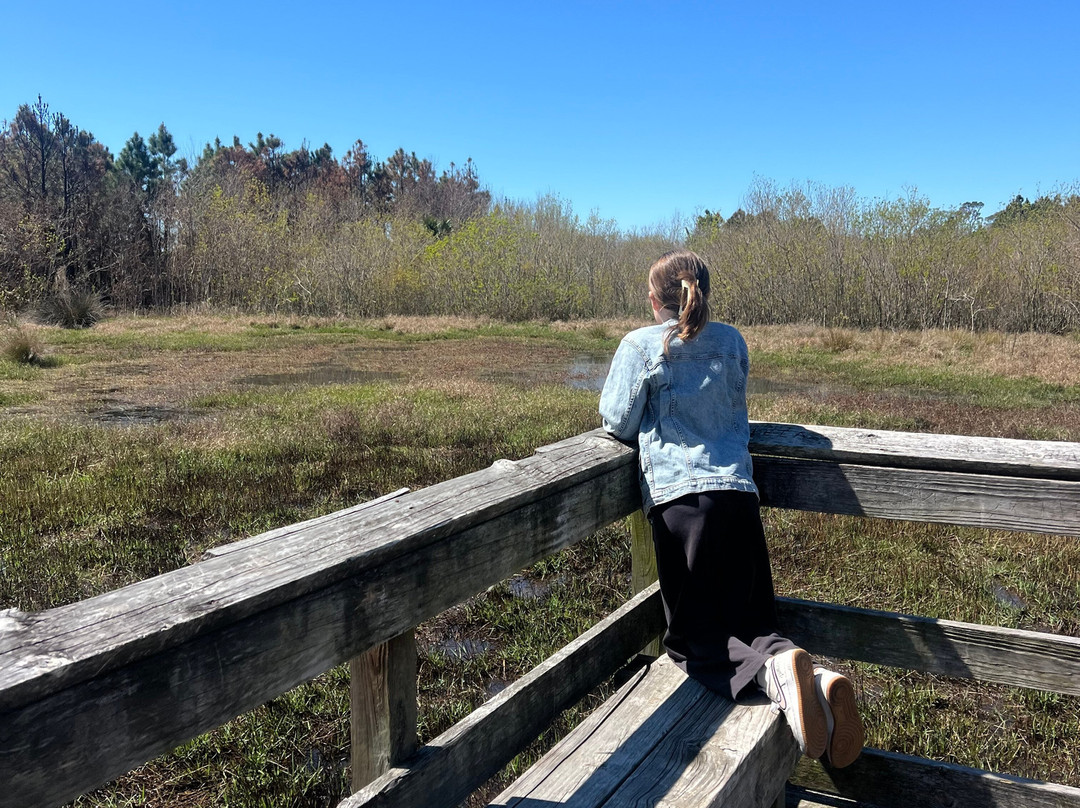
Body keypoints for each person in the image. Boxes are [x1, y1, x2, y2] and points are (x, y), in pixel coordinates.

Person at [599, 249, 864, 768]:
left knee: (692, 641)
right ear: (705, 293)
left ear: (654, 300)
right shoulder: (732, 341)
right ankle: (808, 675)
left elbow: (617, 421)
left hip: (683, 505)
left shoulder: (642, 344)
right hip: (739, 496)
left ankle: (778, 675)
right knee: (751, 620)